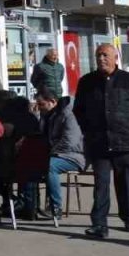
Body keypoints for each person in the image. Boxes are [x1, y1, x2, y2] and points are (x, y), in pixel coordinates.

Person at [73, 44, 129, 239]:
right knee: (101, 184)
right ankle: (99, 224)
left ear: (116, 57)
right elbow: (78, 110)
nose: (101, 59)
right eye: (98, 55)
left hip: (126, 141)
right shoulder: (87, 82)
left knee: (126, 183)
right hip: (99, 142)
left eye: (105, 55)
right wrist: (88, 130)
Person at [19, 88, 84, 220]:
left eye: (41, 104)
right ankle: (30, 207)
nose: (39, 107)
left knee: (50, 166)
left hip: (72, 155)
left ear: (52, 101)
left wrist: (50, 152)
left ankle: (56, 207)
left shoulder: (68, 115)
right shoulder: (45, 115)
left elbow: (70, 141)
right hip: (54, 154)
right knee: (27, 163)